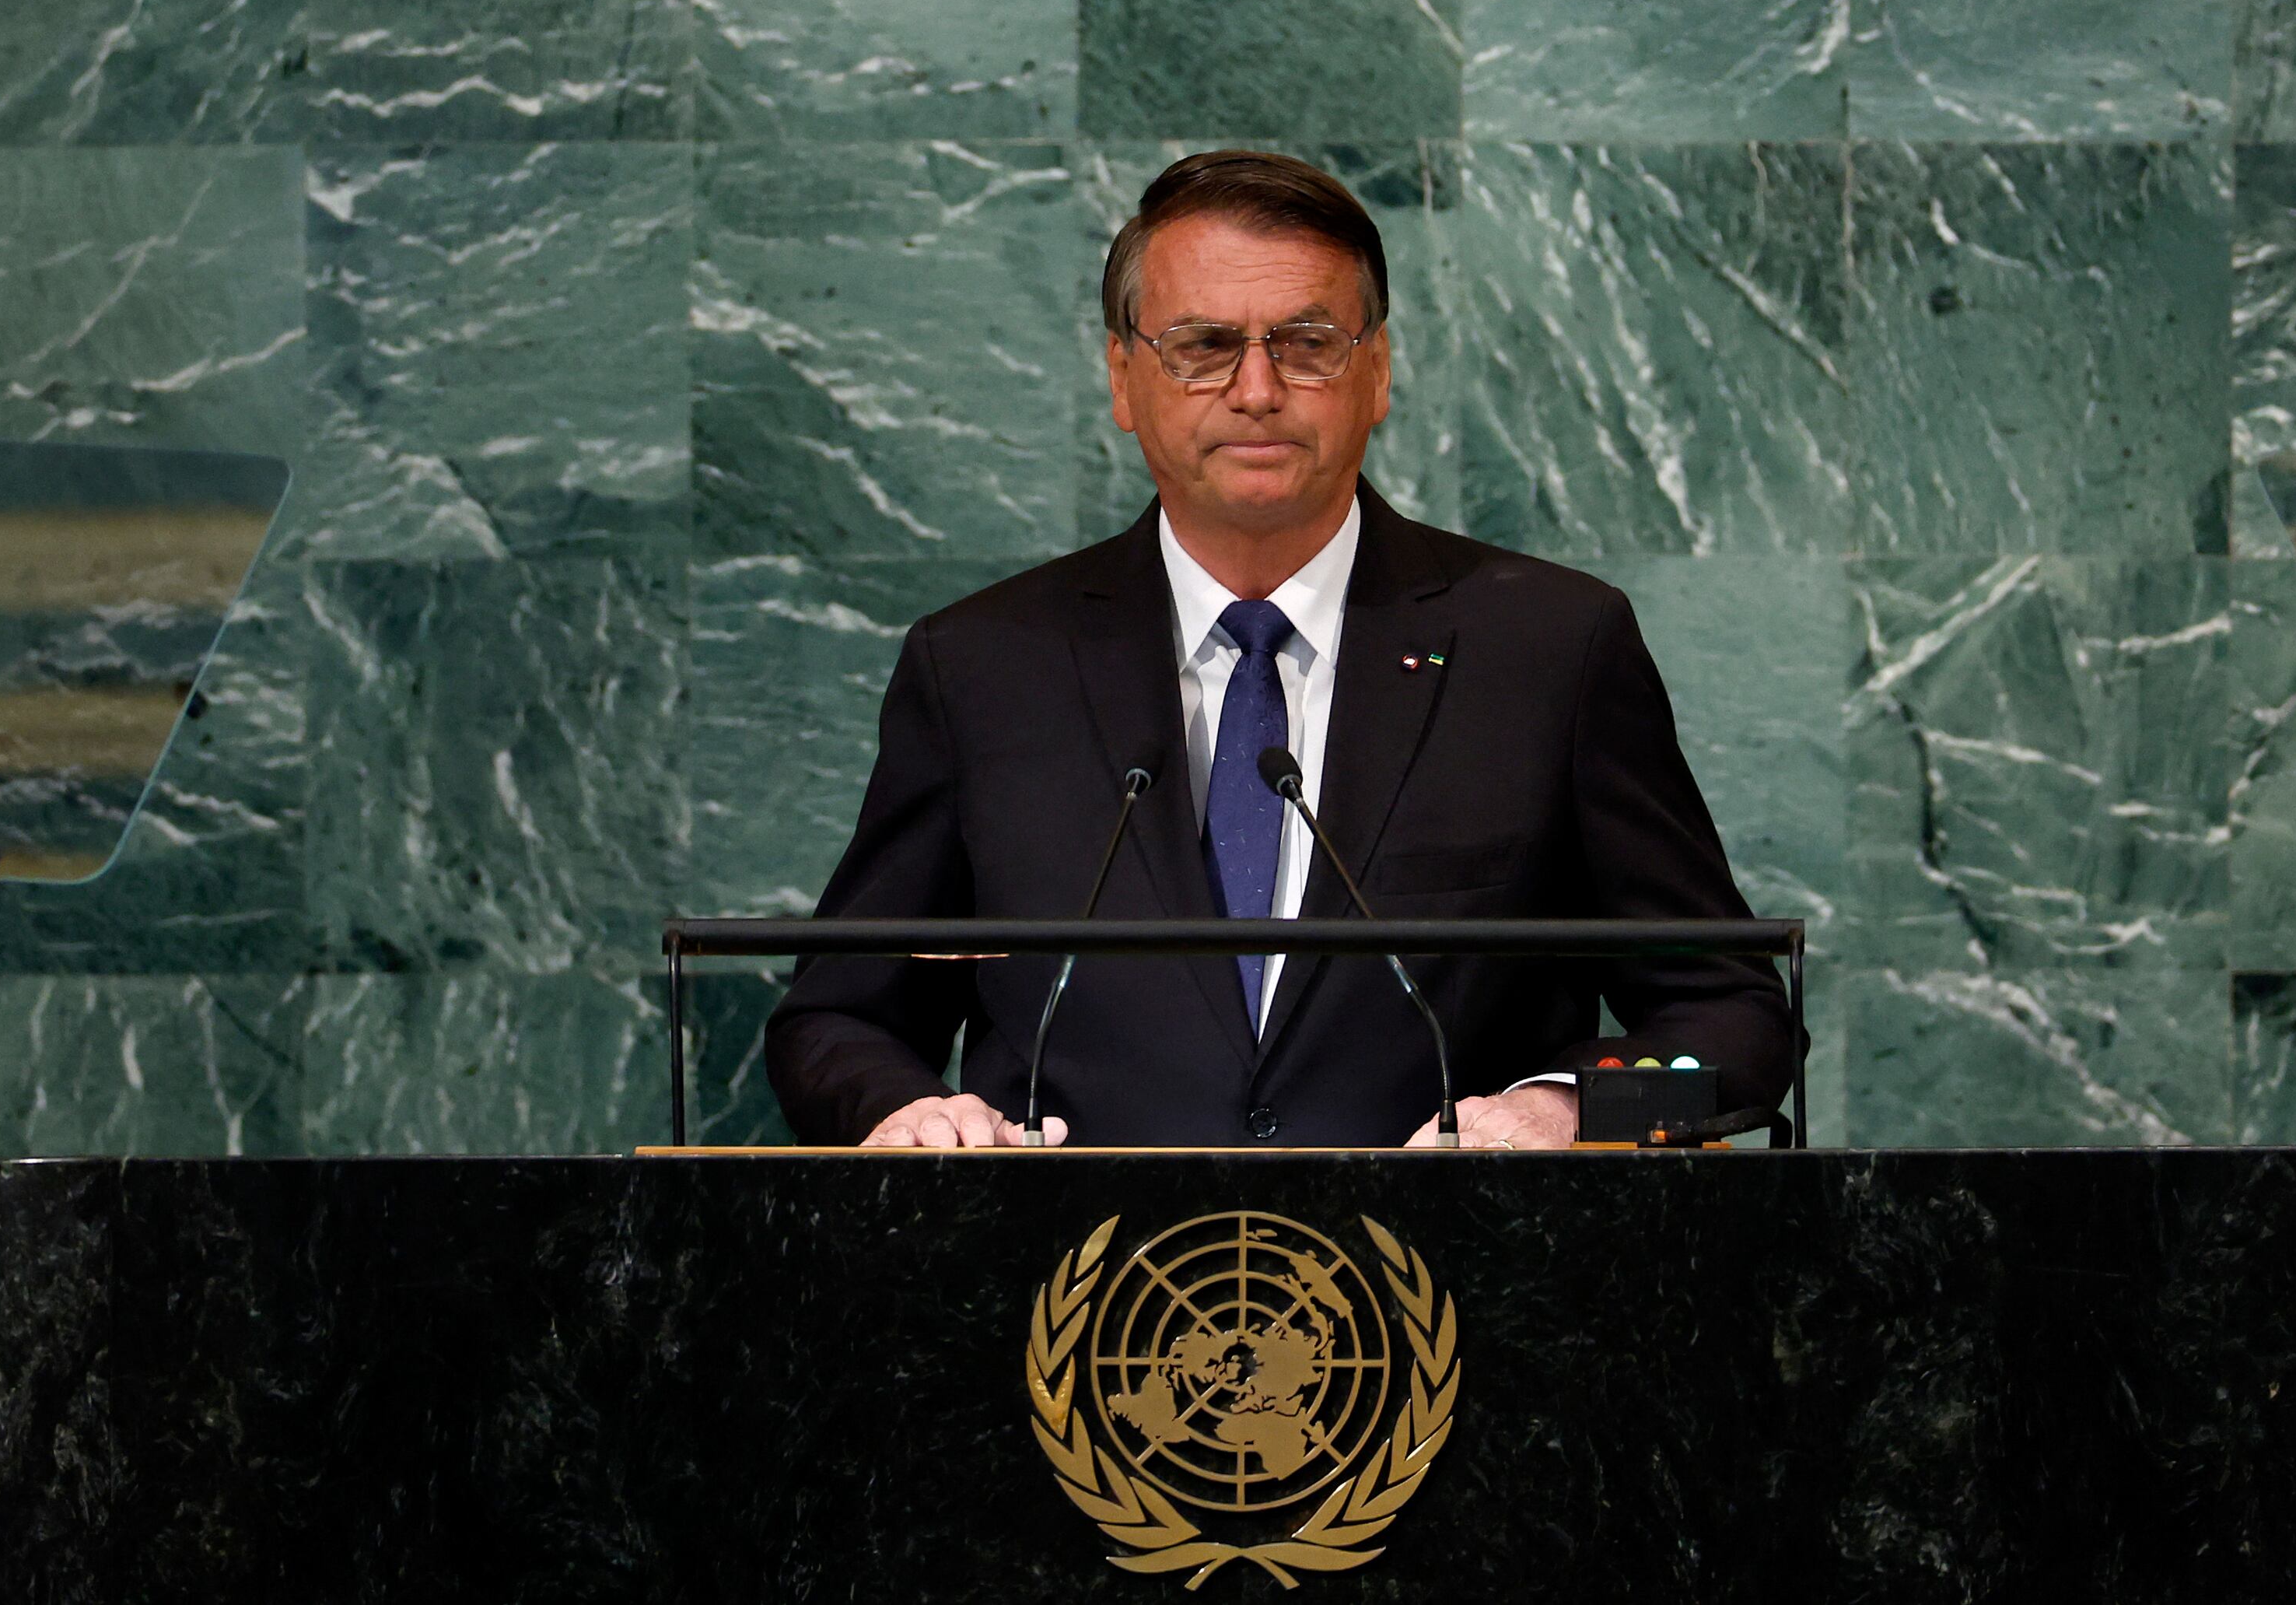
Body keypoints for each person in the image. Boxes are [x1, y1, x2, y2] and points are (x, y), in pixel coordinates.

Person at [765, 152, 1797, 1151]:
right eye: (1204, 344)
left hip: (1465, 1299)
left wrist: (1572, 1111)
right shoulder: (984, 668)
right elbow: (835, 1021)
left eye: (1307, 341)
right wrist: (907, 1115)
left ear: (1378, 370)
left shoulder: (1550, 649)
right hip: (1078, 1302)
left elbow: (1737, 1022)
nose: (1257, 388)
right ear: (1125, 379)